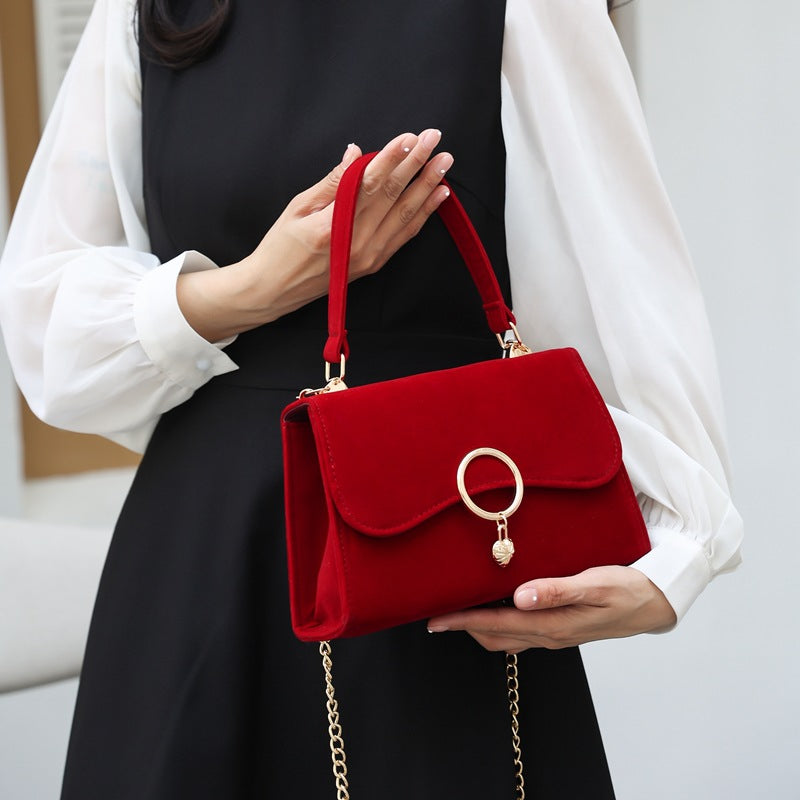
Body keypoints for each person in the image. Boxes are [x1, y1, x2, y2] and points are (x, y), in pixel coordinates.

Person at [0, 0, 743, 797]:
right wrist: (254, 288)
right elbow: (48, 333)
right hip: (205, 563)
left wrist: (678, 553)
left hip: (433, 548)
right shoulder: (146, 9)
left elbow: (623, 276)